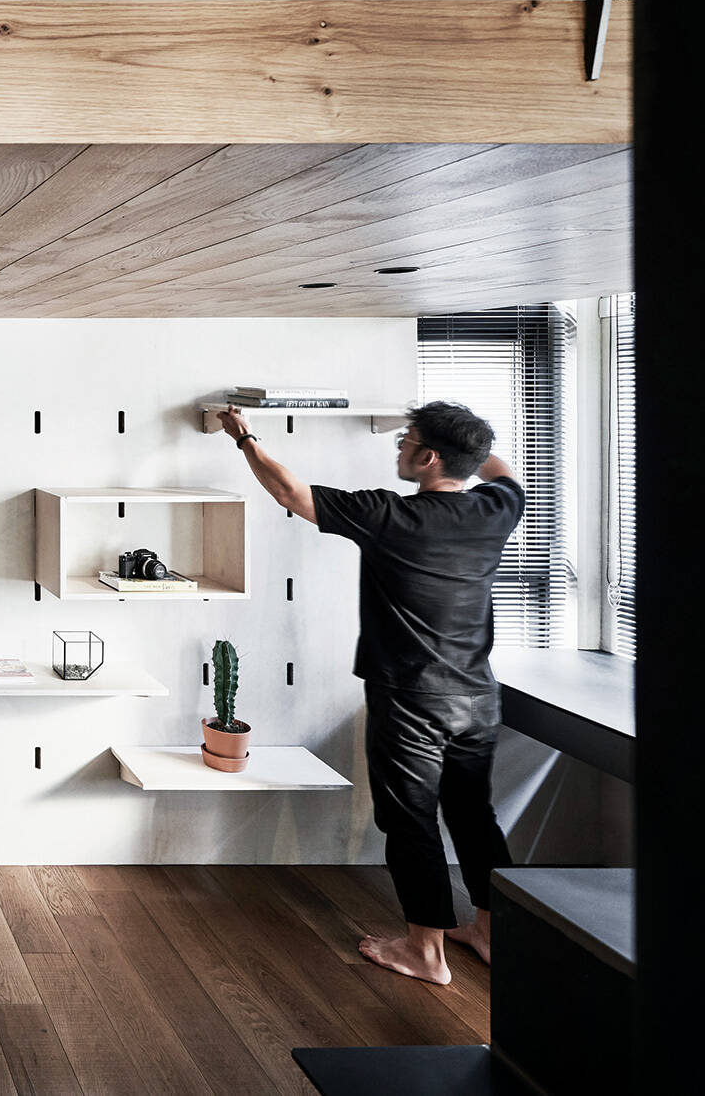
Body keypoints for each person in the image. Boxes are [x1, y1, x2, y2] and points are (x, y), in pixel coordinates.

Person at [215, 400, 523, 985]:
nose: (398, 447)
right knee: (473, 814)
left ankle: (425, 952)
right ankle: (490, 930)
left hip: (409, 700)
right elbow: (500, 471)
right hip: (477, 698)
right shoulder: (496, 509)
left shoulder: (390, 516)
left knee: (410, 821)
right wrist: (472, 447)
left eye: (407, 441)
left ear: (429, 458)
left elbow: (291, 494)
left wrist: (243, 436)